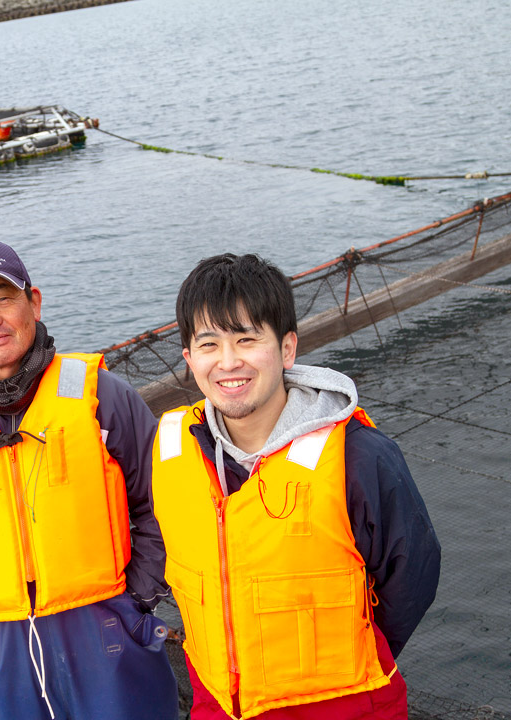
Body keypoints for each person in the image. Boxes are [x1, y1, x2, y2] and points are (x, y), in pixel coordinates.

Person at [0, 238, 179, 720]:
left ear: (34, 301)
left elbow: (162, 499)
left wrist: (139, 599)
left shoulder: (101, 397)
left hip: (108, 628)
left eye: (4, 298)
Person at [151, 253, 441, 720]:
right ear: (188, 358)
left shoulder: (359, 456)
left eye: (247, 339)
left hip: (342, 705)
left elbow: (412, 578)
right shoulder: (168, 449)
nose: (228, 362)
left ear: (287, 348)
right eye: (209, 344)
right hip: (218, 702)